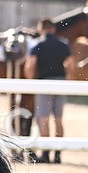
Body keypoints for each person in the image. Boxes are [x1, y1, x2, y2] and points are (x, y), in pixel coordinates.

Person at [24, 17, 72, 164]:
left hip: (44, 82)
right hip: (61, 82)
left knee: (43, 118)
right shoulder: (63, 44)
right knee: (58, 119)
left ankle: (45, 153)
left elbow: (30, 66)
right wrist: (66, 77)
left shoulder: (37, 44)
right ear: (53, 29)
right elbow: (71, 64)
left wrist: (31, 81)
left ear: (40, 29)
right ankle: (57, 154)